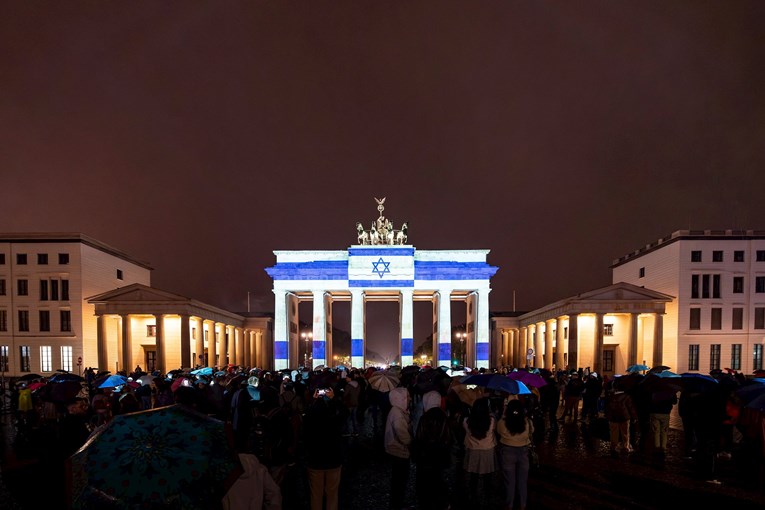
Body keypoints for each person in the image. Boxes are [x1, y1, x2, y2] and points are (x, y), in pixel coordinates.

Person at [303, 387, 347, 510]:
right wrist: (334, 399)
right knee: (332, 493)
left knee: (315, 494)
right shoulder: (334, 418)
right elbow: (344, 413)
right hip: (333, 458)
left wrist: (312, 401)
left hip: (315, 459)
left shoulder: (310, 417)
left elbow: (305, 416)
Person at [413, 390, 452, 510]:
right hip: (439, 455)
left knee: (426, 482)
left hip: (426, 456)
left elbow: (419, 437)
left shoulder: (425, 417)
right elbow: (448, 438)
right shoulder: (444, 415)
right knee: (438, 479)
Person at [497, 399, 533, 510]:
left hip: (508, 452)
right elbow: (532, 432)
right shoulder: (527, 422)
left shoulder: (502, 423)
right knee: (522, 481)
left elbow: (498, 431)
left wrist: (503, 414)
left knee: (509, 481)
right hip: (523, 452)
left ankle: (510, 505)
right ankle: (522, 505)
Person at [462, 397, 497, 504]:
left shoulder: (466, 421)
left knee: (474, 476)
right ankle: (487, 498)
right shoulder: (491, 421)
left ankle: (473, 498)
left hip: (473, 451)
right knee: (488, 477)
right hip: (487, 450)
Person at [385, 387, 412, 510]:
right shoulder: (398, 414)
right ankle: (396, 503)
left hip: (395, 449)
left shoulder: (398, 410)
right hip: (399, 450)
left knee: (398, 479)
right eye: (407, 397)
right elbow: (403, 436)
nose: (410, 399)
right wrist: (411, 443)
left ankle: (396, 502)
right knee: (399, 479)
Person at [605, 383, 638, 457]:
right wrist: (634, 417)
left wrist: (607, 415)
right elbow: (631, 408)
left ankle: (613, 447)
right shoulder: (626, 396)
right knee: (625, 433)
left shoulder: (611, 396)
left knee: (613, 433)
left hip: (613, 417)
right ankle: (626, 447)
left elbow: (607, 407)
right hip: (624, 417)